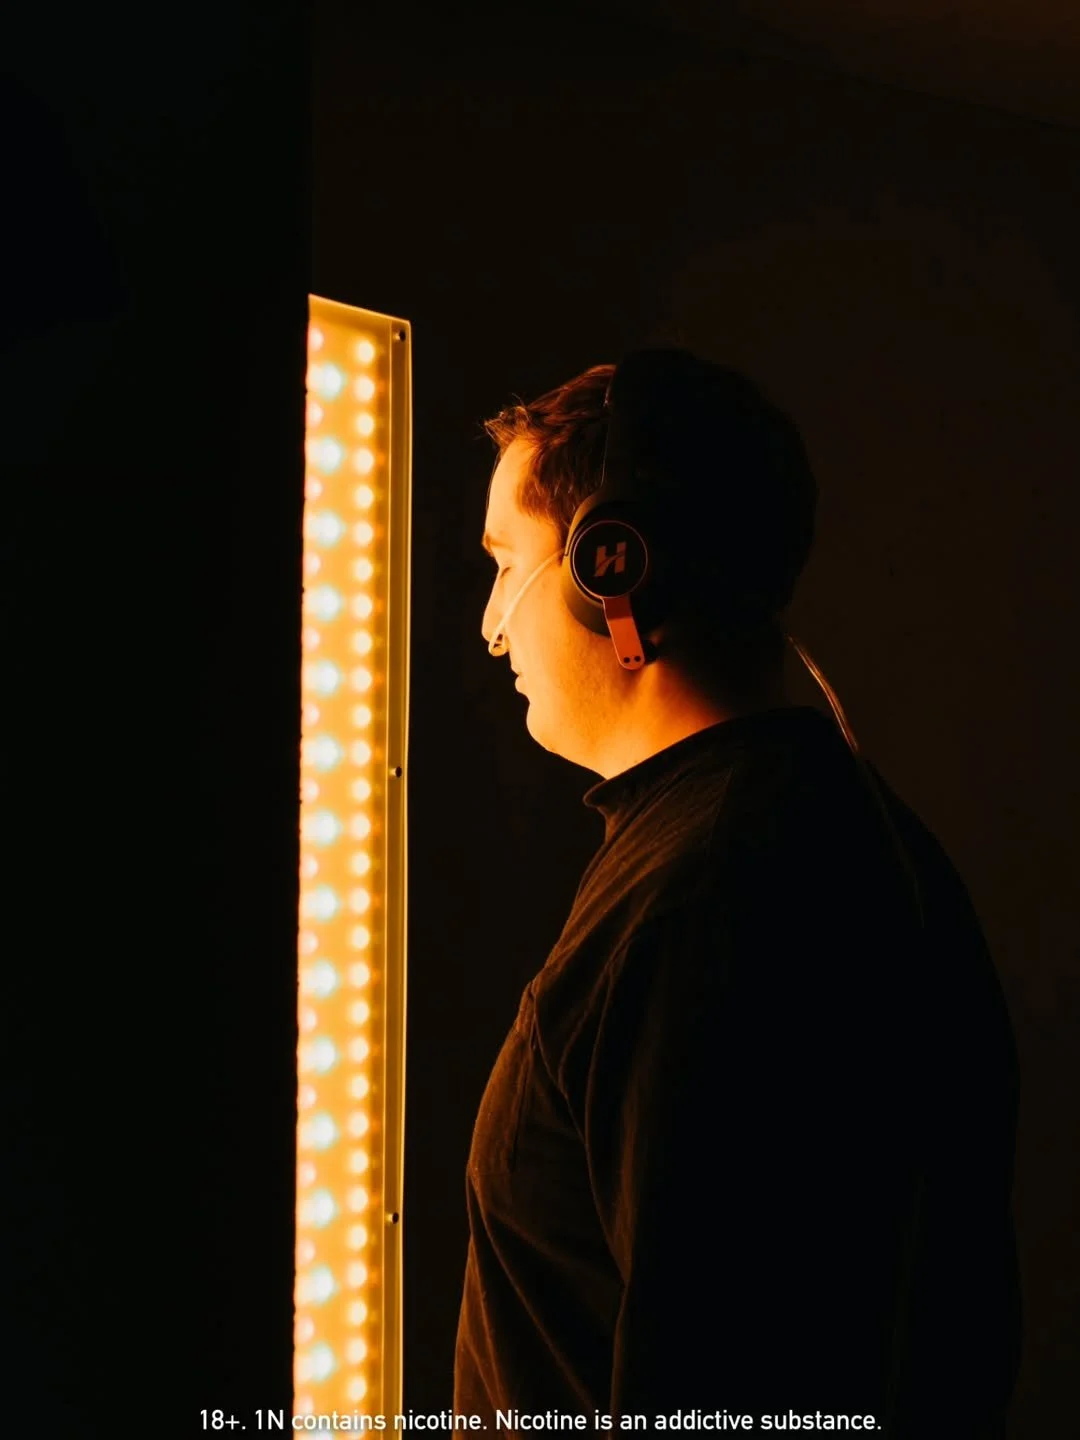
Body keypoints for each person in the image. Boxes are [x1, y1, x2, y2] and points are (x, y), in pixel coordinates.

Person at [454, 349, 1021, 1438]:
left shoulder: (709, 897)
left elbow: (720, 1380)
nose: (491, 625)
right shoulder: (802, 831)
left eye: (506, 564)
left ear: (613, 567)